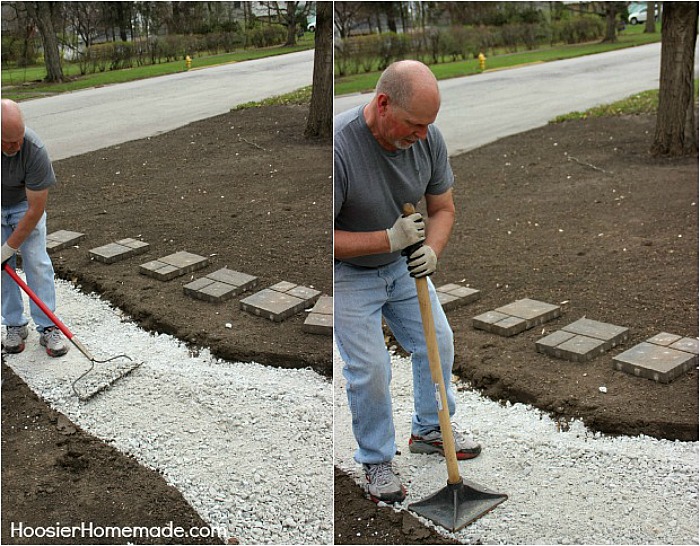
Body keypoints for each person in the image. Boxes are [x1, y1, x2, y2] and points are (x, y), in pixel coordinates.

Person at [334, 60, 480, 504]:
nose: (422, 135)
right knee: (371, 368)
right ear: (382, 104)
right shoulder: (340, 149)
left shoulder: (427, 138)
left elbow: (443, 209)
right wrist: (386, 238)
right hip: (347, 275)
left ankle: (431, 429)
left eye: (428, 125)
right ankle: (376, 459)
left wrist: (431, 251)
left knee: (438, 339)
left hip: (401, 269)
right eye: (415, 124)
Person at [2, 99, 69, 357]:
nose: (16, 146)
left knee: (37, 262)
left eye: (19, 138)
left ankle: (48, 326)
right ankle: (15, 325)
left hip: (23, 206)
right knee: (3, 270)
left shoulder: (34, 149)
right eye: (9, 142)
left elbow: (35, 210)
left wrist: (8, 248)